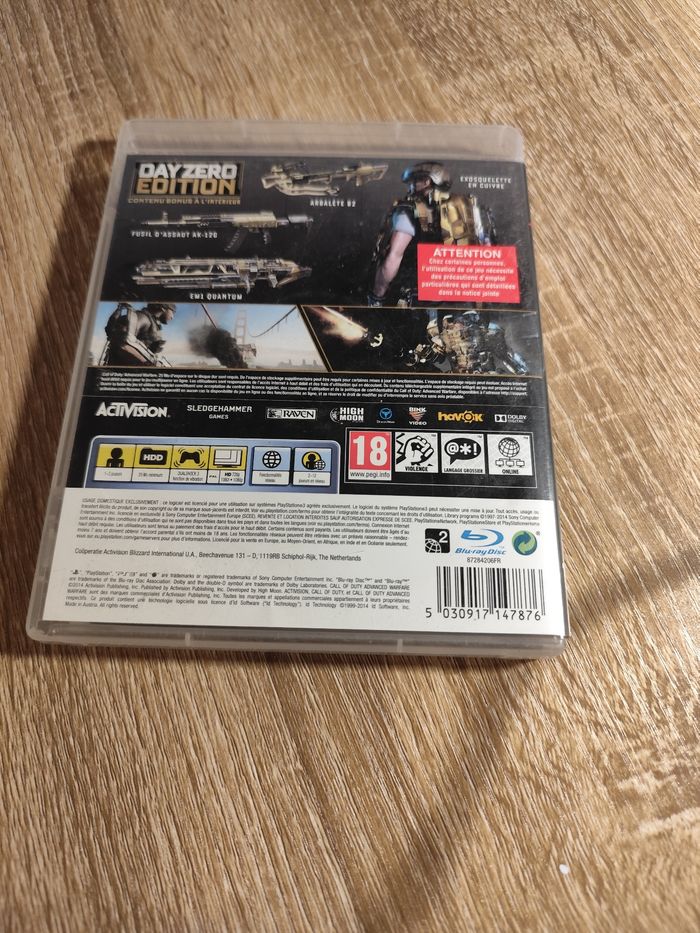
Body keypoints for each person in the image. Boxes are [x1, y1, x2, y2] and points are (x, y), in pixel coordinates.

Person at [368, 162, 495, 305]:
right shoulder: (471, 205)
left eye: (414, 182)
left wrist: (377, 297)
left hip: (428, 296)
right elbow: (487, 251)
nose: (410, 187)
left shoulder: (410, 209)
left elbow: (393, 256)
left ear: (427, 181)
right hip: (469, 293)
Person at [101, 302, 175, 366]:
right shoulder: (143, 318)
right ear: (163, 307)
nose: (172, 317)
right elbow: (121, 342)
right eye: (172, 311)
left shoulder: (152, 322)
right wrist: (151, 363)